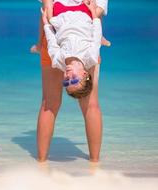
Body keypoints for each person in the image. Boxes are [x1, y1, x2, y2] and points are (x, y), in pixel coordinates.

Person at [36, 0, 108, 163]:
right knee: (91, 104)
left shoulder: (60, 60)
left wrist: (42, 37)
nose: (67, 77)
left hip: (57, 32)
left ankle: (41, 162)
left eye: (67, 80)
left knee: (49, 103)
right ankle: (95, 163)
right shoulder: (89, 56)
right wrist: (96, 18)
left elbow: (46, 10)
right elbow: (97, 9)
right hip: (81, 32)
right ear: (83, 74)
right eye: (72, 79)